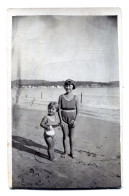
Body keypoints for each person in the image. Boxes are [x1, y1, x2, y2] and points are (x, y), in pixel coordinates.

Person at [58, 79, 79, 158]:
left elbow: (78, 111)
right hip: (64, 120)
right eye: (66, 85)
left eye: (70, 85)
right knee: (65, 136)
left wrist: (75, 120)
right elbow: (59, 109)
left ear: (73, 86)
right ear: (64, 87)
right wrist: (61, 121)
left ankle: (72, 152)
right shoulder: (61, 97)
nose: (68, 87)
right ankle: (65, 152)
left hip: (72, 120)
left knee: (71, 137)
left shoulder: (76, 97)